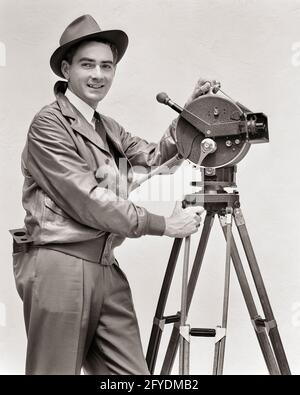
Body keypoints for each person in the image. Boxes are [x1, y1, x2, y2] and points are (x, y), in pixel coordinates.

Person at [12, 14, 217, 375]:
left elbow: (153, 159)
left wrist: (190, 115)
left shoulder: (107, 127)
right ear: (66, 69)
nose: (98, 75)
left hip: (105, 265)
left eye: (107, 66)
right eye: (87, 64)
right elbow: (88, 200)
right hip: (61, 263)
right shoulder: (48, 125)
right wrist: (162, 224)